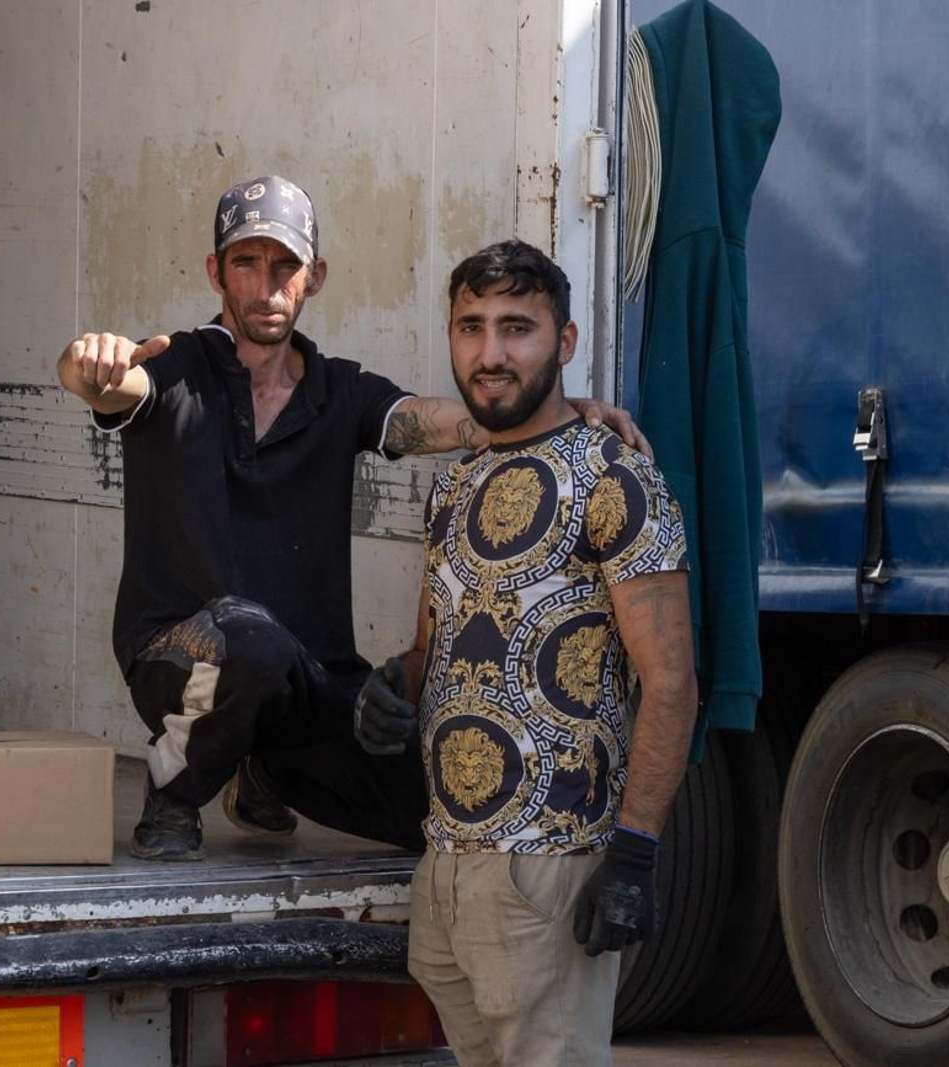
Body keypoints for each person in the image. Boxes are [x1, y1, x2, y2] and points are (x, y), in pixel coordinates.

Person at [56, 176, 649, 861]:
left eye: (285, 266)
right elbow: (103, 380)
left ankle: (264, 766)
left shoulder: (338, 389)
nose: (266, 286)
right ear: (216, 272)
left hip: (309, 677)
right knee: (251, 641)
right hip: (183, 657)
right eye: (246, 263)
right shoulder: (177, 369)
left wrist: (562, 414)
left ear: (315, 277)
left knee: (436, 806)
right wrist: (87, 359)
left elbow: (434, 421)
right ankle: (173, 787)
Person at [353, 239, 697, 1066]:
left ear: (565, 343)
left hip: (548, 868)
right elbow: (434, 648)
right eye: (471, 327)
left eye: (518, 327)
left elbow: (673, 682)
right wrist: (390, 687)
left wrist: (634, 854)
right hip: (448, 866)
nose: (491, 352)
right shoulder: (456, 481)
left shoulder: (613, 475)